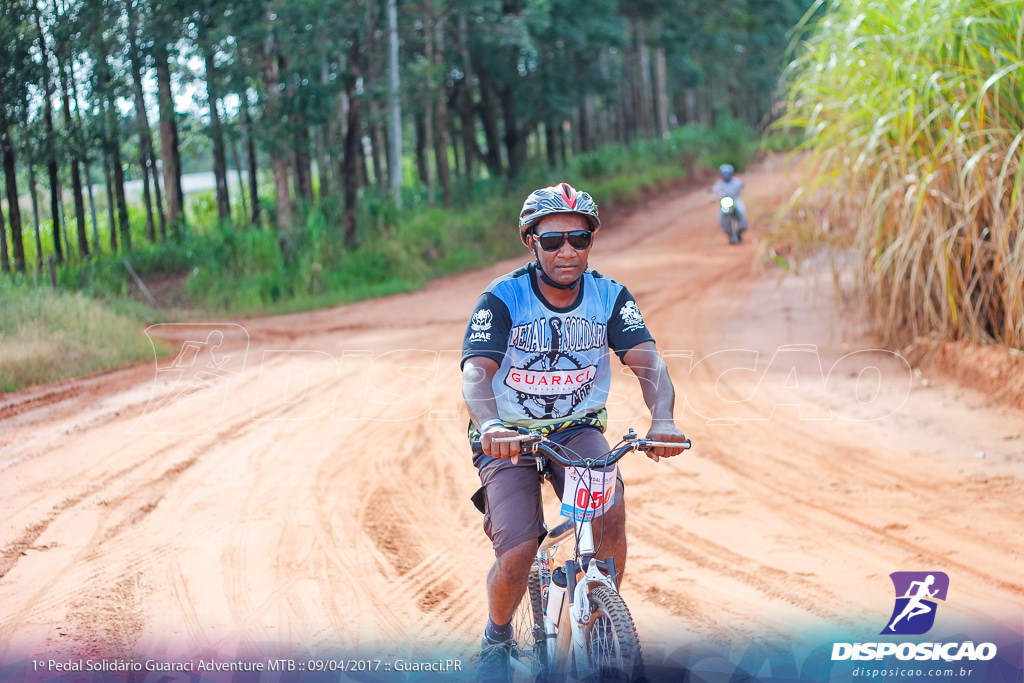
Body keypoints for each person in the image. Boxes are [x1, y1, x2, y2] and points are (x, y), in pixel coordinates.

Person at [460, 182, 689, 681]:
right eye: (553, 240)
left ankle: (605, 619)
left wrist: (664, 419)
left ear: (591, 241)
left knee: (609, 510)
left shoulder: (609, 297)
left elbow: (648, 362)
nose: (567, 251)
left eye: (580, 239)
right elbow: (476, 372)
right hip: (509, 437)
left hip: (576, 430)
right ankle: (497, 637)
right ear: (531, 243)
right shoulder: (501, 299)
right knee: (520, 550)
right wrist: (492, 424)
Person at [712, 163, 749, 236]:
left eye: (727, 174)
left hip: (735, 199)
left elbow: (741, 187)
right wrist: (715, 197)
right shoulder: (718, 184)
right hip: (725, 201)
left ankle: (744, 225)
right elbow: (715, 192)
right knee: (721, 214)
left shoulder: (736, 181)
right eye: (724, 174)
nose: (726, 175)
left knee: (742, 211)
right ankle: (724, 228)